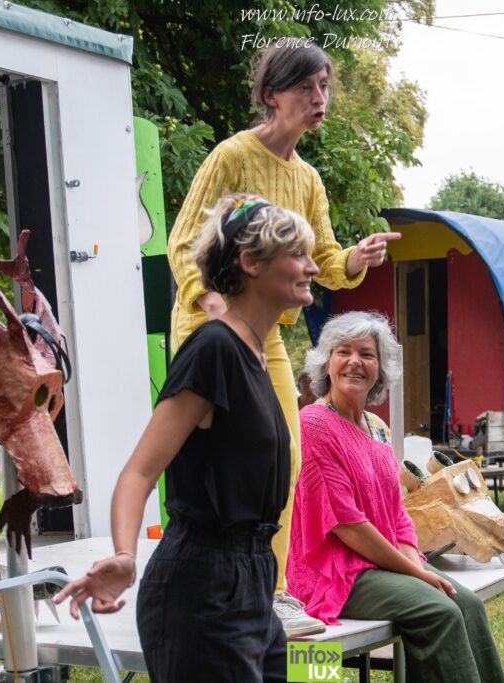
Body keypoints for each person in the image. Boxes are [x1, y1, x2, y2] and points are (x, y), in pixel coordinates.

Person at [167, 42, 399, 635]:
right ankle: (197, 585)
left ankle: (270, 593)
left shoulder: (309, 179)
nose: (319, 99)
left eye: (324, 88)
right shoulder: (230, 157)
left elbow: (321, 259)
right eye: (306, 88)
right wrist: (218, 309)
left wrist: (356, 256)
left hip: (266, 333)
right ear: (272, 94)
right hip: (209, 322)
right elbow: (184, 243)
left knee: (284, 455)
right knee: (215, 459)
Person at [55, 194, 318, 682]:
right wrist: (125, 555)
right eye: (298, 254)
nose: (312, 265)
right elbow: (139, 470)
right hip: (203, 586)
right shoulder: (214, 348)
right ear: (251, 263)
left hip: (254, 579)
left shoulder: (256, 356)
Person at [286, 311, 504, 683]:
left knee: (467, 604)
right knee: (441, 611)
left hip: (379, 562)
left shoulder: (377, 427)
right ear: (327, 362)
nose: (355, 361)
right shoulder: (314, 425)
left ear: (380, 368)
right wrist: (414, 572)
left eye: (367, 354)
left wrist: (415, 564)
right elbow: (348, 527)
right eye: (344, 351)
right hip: (335, 571)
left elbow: (397, 513)